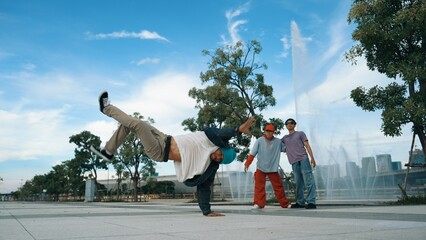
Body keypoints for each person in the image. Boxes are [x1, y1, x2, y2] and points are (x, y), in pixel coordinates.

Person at [91, 91, 254, 216]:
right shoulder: (209, 138)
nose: (218, 157)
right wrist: (237, 130)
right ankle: (108, 151)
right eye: (221, 154)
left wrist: (207, 211)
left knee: (138, 125)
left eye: (221, 160)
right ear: (220, 148)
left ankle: (106, 108)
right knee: (131, 123)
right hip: (165, 138)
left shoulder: (208, 167)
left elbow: (204, 188)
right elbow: (221, 133)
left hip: (159, 151)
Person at [244, 124, 291, 209]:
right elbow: (252, 153)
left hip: (273, 168)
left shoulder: (278, 142)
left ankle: (285, 204)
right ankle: (258, 203)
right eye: (267, 131)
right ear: (264, 131)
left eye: (270, 131)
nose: (268, 133)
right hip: (261, 167)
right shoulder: (259, 140)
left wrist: (293, 142)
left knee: (278, 187)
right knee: (259, 187)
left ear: (273, 132)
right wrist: (247, 163)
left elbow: (287, 149)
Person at [281, 118, 317, 209]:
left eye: (292, 123)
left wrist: (312, 158)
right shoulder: (285, 138)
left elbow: (307, 145)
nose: (290, 124)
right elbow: (275, 144)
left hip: (303, 159)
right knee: (298, 182)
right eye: (287, 123)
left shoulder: (300, 134)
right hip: (294, 162)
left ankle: (311, 202)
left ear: (294, 125)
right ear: (286, 126)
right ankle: (300, 202)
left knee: (308, 180)